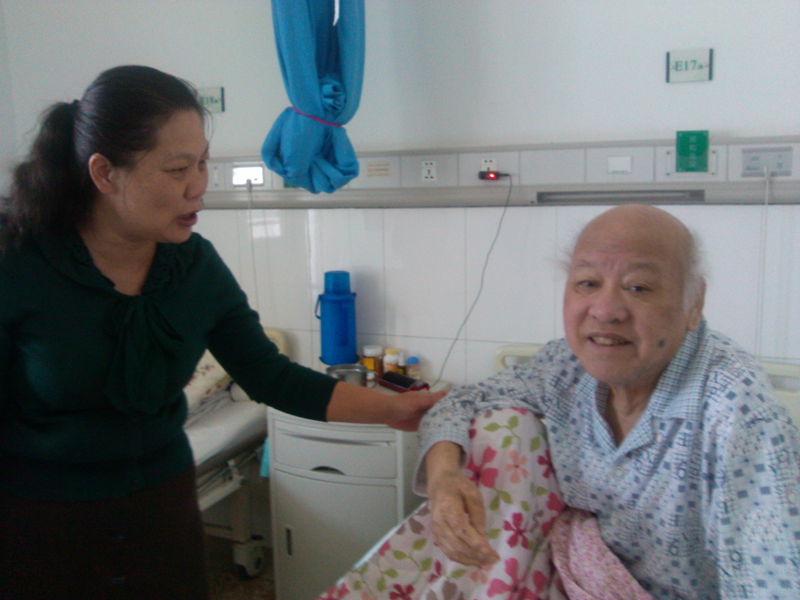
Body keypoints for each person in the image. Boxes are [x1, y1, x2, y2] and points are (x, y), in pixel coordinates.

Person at [0, 65, 443, 599]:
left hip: (160, 510)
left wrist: (394, 410)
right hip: (40, 523)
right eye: (177, 169)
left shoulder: (194, 267)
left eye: (203, 162)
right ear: (105, 173)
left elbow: (270, 376)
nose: (199, 186)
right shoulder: (19, 263)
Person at [418, 204, 800, 599]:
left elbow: (771, 582)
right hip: (575, 578)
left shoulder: (737, 412)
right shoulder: (565, 368)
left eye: (639, 288)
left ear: (694, 302)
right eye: (587, 283)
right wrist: (444, 477)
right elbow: (463, 401)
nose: (604, 311)